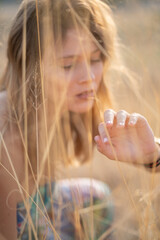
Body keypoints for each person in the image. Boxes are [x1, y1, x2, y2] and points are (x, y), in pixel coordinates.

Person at [0, 0, 159, 239]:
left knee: (96, 198)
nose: (88, 77)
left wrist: (152, 155)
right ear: (30, 67)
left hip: (40, 205)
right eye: (68, 64)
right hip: (19, 225)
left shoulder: (67, 104)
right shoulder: (8, 130)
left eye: (95, 59)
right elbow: (15, 233)